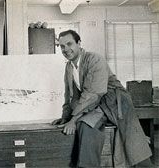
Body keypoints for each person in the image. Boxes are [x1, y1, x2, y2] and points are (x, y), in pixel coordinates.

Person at [52, 30, 152, 167]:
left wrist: (74, 119)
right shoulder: (69, 67)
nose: (66, 49)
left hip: (116, 102)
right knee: (86, 124)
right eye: (62, 46)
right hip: (97, 104)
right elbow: (70, 95)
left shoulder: (95, 59)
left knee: (133, 146)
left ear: (79, 43)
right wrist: (66, 117)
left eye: (69, 44)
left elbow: (94, 93)